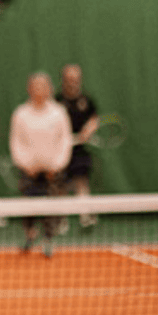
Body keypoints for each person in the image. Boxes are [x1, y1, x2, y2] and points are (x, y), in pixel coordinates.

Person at [9, 72, 73, 258]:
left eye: (43, 86)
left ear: (50, 89)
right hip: (28, 171)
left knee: (51, 208)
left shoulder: (59, 112)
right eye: (35, 86)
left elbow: (65, 141)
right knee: (28, 208)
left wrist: (57, 165)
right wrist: (26, 165)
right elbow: (16, 142)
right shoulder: (20, 113)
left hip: (53, 172)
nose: (39, 89)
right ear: (29, 89)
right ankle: (29, 235)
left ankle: (48, 241)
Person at [56, 64, 100, 227]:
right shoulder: (57, 101)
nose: (73, 82)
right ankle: (61, 220)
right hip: (61, 150)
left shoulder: (87, 100)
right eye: (69, 79)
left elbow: (94, 119)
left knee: (82, 181)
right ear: (63, 80)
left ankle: (85, 216)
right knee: (61, 186)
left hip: (80, 149)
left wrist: (88, 130)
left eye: (75, 79)